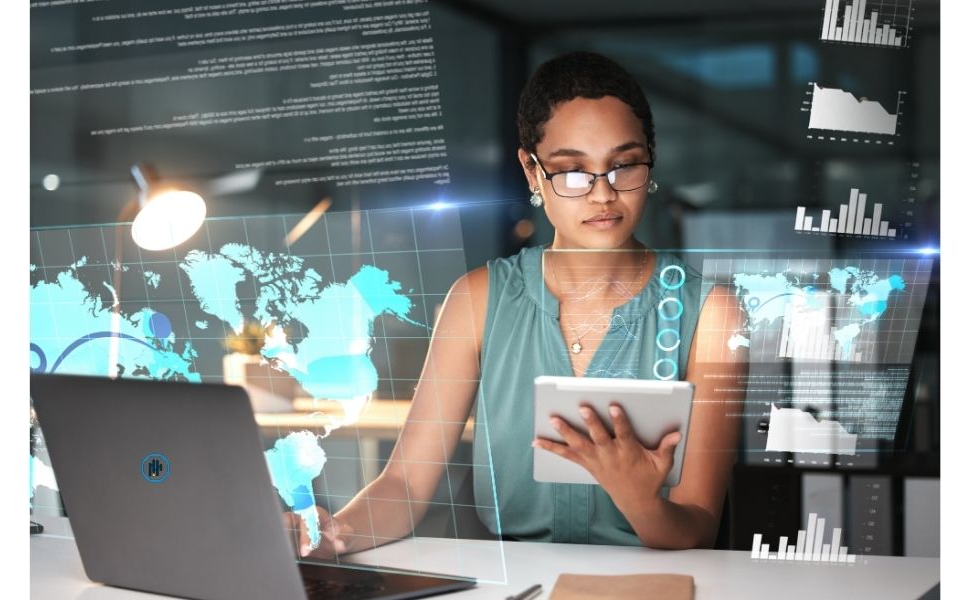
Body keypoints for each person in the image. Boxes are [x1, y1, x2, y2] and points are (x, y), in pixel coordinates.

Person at [285, 51, 747, 554]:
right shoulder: (477, 300)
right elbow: (405, 484)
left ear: (649, 159)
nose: (602, 194)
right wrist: (331, 537)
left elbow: (698, 526)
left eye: (623, 166)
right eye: (572, 171)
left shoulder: (712, 314)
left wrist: (640, 499)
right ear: (532, 171)